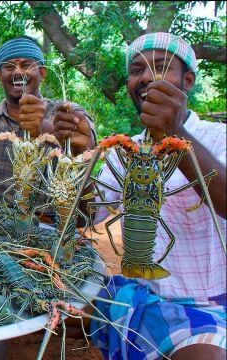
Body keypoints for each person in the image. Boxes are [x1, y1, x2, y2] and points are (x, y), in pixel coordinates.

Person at [67, 32, 226, 360]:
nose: (147, 77)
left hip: (209, 301)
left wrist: (175, 134)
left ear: (188, 80)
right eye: (137, 69)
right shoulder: (120, 152)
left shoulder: (219, 137)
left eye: (161, 67)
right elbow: (91, 225)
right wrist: (80, 161)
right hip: (136, 294)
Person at [0, 36, 96, 209]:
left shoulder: (66, 112)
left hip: (53, 222)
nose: (18, 72)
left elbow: (87, 151)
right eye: (8, 67)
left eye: (26, 65)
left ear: (42, 72)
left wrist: (46, 129)